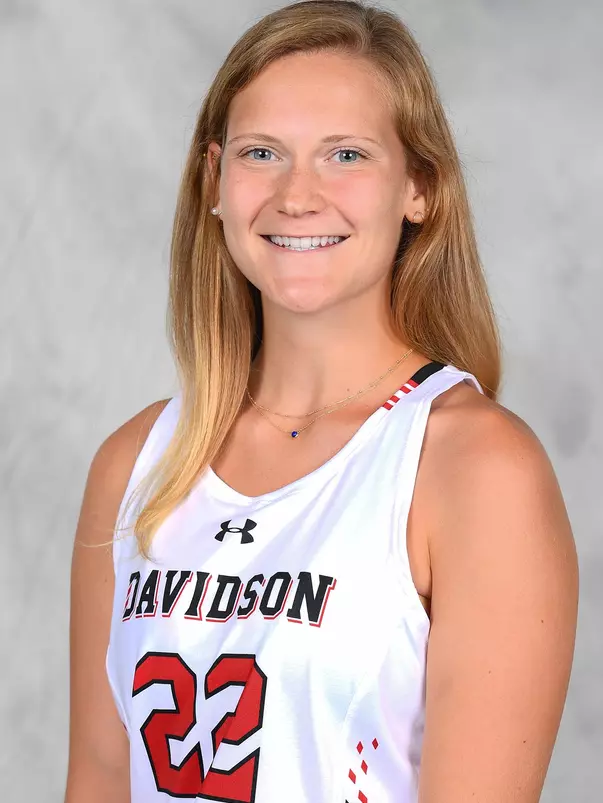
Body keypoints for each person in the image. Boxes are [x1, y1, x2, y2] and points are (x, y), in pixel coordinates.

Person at [64, 2, 579, 801]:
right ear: (214, 180)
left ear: (418, 186)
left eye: (345, 154)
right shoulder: (135, 464)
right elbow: (98, 779)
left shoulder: (472, 468)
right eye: (262, 152)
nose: (297, 195)